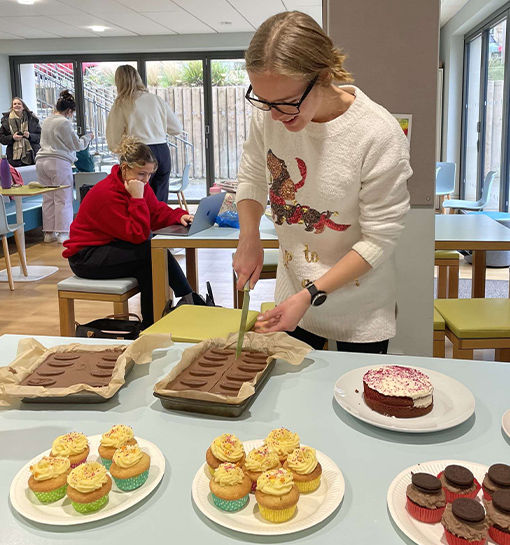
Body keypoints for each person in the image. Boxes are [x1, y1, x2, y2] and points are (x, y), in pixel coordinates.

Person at [233, 11, 412, 354]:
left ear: (324, 76)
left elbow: (379, 239)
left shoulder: (377, 133)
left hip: (360, 309)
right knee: (294, 400)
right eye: (264, 101)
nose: (274, 116)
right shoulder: (271, 113)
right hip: (292, 299)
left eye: (286, 104)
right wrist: (249, 235)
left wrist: (311, 294)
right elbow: (254, 173)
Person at [62, 135, 195, 329]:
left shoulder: (138, 186)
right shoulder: (108, 195)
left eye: (149, 174)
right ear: (125, 168)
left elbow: (156, 211)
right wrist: (137, 199)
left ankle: (154, 324)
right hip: (85, 257)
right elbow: (138, 235)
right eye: (142, 174)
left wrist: (178, 216)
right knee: (149, 248)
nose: (146, 180)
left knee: (149, 264)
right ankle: (188, 299)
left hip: (109, 246)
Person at [106, 65, 182, 203]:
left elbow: (113, 142)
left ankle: (140, 225)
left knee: (138, 199)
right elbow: (177, 128)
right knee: (160, 202)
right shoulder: (155, 99)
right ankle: (161, 226)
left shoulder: (121, 103)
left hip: (138, 153)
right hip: (162, 151)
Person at [36, 90, 93, 244]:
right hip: (58, 162)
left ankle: (49, 233)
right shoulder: (64, 122)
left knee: (48, 198)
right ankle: (63, 233)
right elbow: (77, 145)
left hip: (41, 161)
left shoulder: (47, 120)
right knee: (63, 198)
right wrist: (88, 137)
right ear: (69, 111)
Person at [0, 97, 41, 167]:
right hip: (14, 157)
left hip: (32, 155)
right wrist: (12, 138)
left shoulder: (32, 119)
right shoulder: (6, 121)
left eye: (19, 104)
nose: (17, 105)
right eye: (14, 104)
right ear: (12, 107)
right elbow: (2, 138)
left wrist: (30, 136)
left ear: (23, 107)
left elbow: (40, 136)